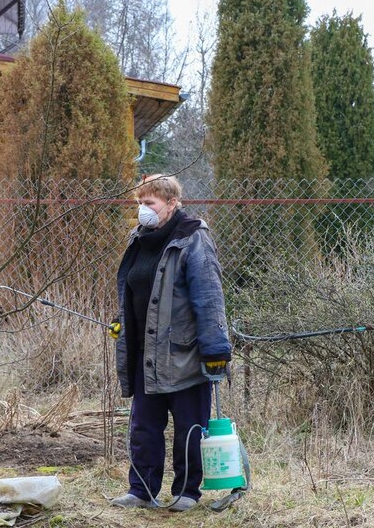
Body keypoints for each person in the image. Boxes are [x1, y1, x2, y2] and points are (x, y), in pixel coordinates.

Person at [109, 174, 232, 512]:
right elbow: (133, 289)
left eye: (149, 203)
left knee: (189, 428)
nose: (142, 211)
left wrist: (216, 349)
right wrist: (124, 322)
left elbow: (209, 297)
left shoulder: (193, 237)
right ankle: (141, 490)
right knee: (144, 426)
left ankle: (187, 493)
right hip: (144, 352)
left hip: (185, 353)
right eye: (139, 203)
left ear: (172, 203)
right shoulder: (139, 238)